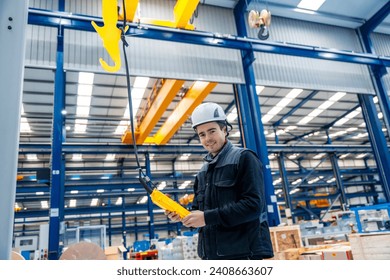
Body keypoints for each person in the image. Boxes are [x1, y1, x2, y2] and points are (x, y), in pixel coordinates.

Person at [166, 102, 274, 260]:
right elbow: (199, 212)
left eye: (212, 131)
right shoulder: (202, 173)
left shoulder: (244, 158)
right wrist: (184, 216)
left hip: (243, 256)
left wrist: (206, 217)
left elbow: (253, 205)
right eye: (202, 134)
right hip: (211, 256)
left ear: (224, 129)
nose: (207, 139)